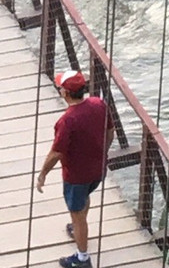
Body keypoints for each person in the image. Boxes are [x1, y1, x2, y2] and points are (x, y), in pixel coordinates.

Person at [36, 70, 115, 268]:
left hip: (76, 176)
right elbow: (110, 131)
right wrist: (102, 152)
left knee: (77, 212)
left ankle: (82, 258)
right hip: (98, 170)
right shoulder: (98, 104)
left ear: (65, 93)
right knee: (84, 200)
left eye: (60, 87)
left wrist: (43, 174)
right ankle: (78, 228)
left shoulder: (67, 121)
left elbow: (57, 153)